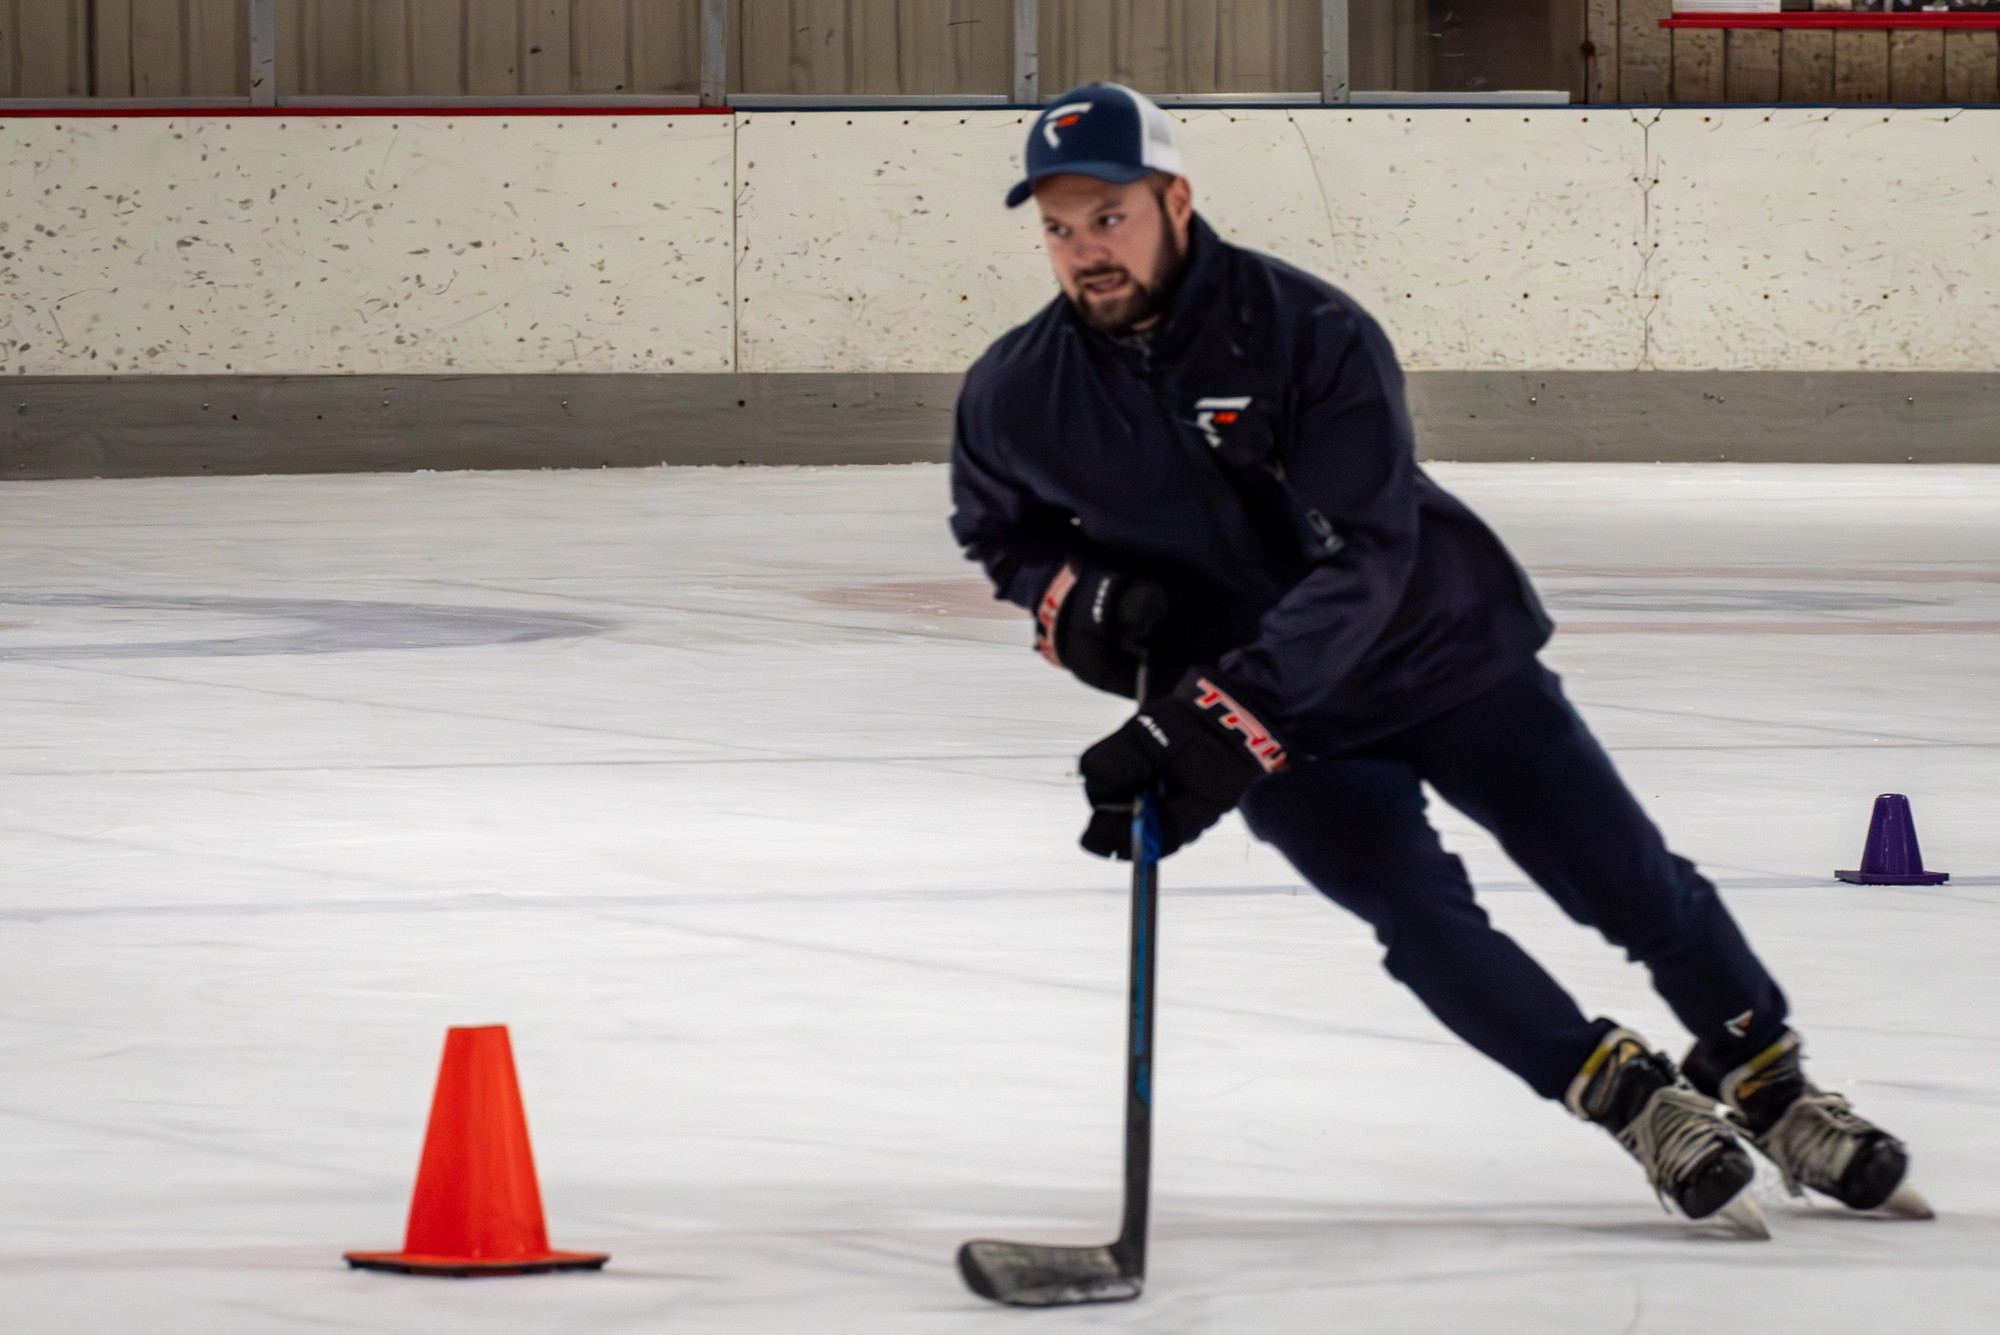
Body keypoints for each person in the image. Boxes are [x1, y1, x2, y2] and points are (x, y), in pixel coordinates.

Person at [948, 82, 1923, 1231]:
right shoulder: (1016, 390)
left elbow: (1365, 555)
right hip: (1286, 725)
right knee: (1416, 920)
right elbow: (996, 530)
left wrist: (1217, 715)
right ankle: (1629, 1101)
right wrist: (1081, 599)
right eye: (1058, 227)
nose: (1084, 251)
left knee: (1625, 880)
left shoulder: (1308, 332)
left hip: (1439, 654)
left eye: (1108, 217)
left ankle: (1768, 1084)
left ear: (1174, 201)